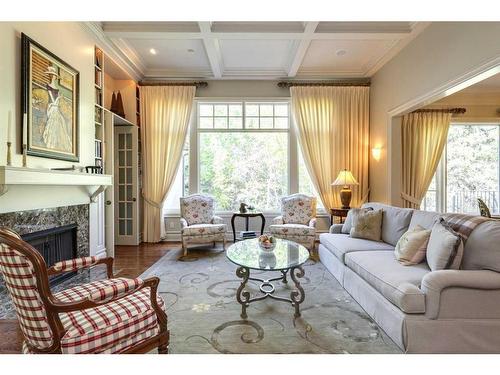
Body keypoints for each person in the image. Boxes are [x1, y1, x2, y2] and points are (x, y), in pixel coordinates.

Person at [42, 65, 72, 152]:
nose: (51, 77)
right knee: (52, 126)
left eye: (53, 75)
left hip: (56, 109)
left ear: (55, 77)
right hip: (52, 109)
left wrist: (59, 99)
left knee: (60, 126)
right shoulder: (47, 87)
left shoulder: (57, 90)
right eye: (50, 75)